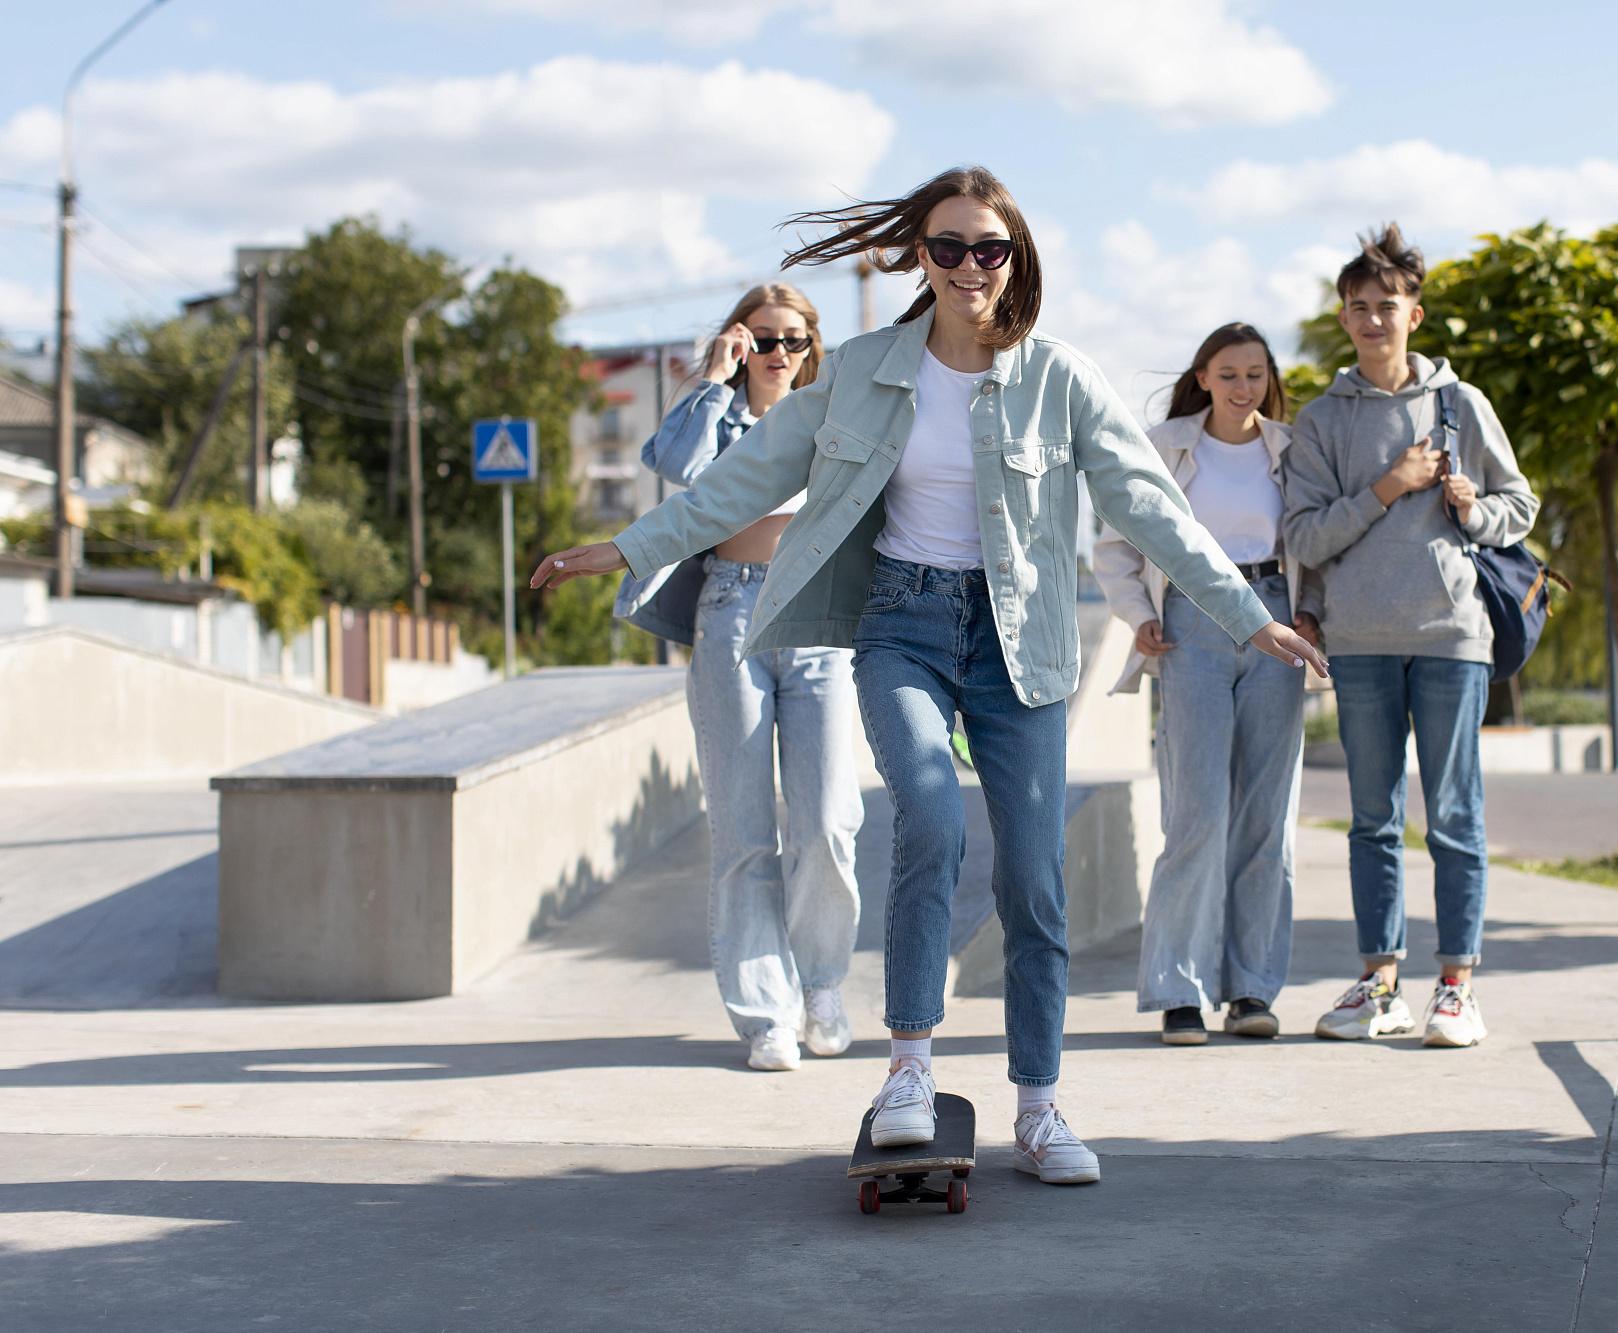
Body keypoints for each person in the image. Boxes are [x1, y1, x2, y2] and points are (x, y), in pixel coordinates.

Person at [532, 165, 1325, 1185]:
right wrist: (627, 548)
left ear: (1014, 259)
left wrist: (1246, 617)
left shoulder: (1059, 379)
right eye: (945, 247)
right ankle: (907, 1070)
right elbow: (743, 475)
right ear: (920, 255)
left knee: (1033, 880)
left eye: (985, 248)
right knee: (931, 822)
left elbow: (1152, 511)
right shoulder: (859, 370)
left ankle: (1037, 1106)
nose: (965, 266)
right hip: (901, 625)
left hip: (1020, 644)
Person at [1279, 224, 1538, 1048]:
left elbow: (1518, 508)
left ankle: (1456, 986)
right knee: (1372, 819)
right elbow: (1305, 538)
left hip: (1451, 634)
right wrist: (1389, 487)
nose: (1370, 320)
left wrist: (1471, 506)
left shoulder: (1460, 406)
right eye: (1356, 307)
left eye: (1385, 306)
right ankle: (1378, 983)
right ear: (1343, 317)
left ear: (1414, 315)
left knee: (1455, 815)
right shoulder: (1322, 421)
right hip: (1356, 640)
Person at [616, 284, 864, 1074]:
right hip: (730, 611)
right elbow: (677, 469)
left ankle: (822, 984)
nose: (778, 353)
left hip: (818, 616)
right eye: (763, 338)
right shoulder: (718, 415)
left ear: (811, 346)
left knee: (826, 820)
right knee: (743, 825)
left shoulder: (833, 413)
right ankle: (766, 1013)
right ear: (739, 340)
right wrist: (710, 380)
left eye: (792, 339)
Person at [1093, 323, 1322, 1047]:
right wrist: (1138, 616)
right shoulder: (1164, 447)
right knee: (1195, 813)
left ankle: (1252, 988)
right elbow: (1114, 547)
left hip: (1276, 622)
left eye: (1254, 373)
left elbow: (1312, 542)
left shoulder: (1292, 449)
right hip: (1191, 622)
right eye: (1228, 373)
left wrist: (1310, 613)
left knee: (1266, 815)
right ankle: (1178, 991)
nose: (1242, 387)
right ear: (1202, 375)